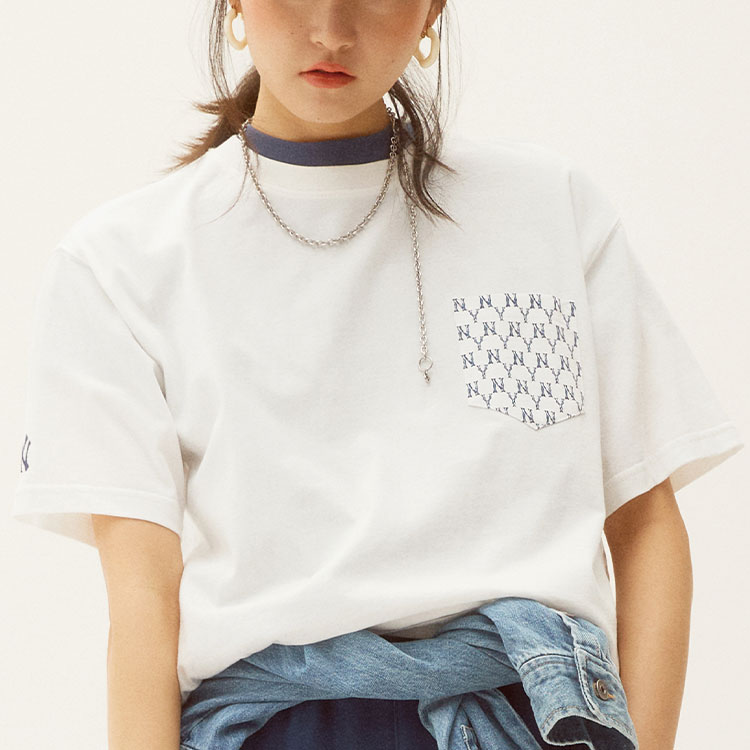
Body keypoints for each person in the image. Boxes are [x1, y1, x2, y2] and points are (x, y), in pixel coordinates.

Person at [11, 1, 744, 748]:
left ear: (431, 14)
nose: (331, 29)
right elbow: (142, 596)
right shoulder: (121, 262)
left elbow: (645, 523)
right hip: (271, 728)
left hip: (524, 718)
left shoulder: (547, 210)